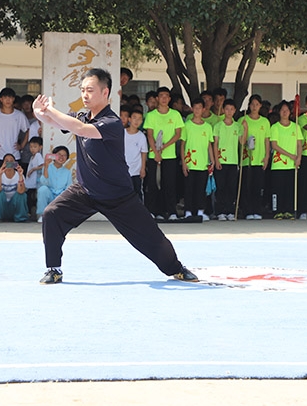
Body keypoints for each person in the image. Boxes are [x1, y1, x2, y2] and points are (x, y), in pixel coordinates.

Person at [31, 68, 197, 284]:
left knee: (151, 238)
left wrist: (51, 111)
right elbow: (57, 123)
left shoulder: (111, 122)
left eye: (90, 90)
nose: (85, 95)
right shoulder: (82, 116)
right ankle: (54, 269)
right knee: (52, 213)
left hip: (118, 195)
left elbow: (81, 129)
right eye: (82, 90)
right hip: (86, 191)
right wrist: (39, 112)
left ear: (105, 92)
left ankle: (176, 268)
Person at [143, 86, 184, 221]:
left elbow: (178, 134)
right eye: (161, 96)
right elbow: (149, 135)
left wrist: (164, 147)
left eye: (167, 96)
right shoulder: (151, 115)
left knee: (169, 185)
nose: (164, 98)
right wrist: (156, 152)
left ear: (169, 99)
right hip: (154, 156)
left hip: (170, 156)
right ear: (157, 98)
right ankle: (153, 211)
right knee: (153, 185)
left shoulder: (175, 115)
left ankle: (171, 212)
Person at [237, 94, 270, 220]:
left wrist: (267, 156)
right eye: (252, 104)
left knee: (258, 186)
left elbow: (267, 140)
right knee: (247, 186)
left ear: (260, 106)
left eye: (257, 104)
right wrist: (245, 128)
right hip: (246, 159)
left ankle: (257, 209)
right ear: (249, 106)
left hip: (259, 158)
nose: (254, 107)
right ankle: (247, 210)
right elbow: (241, 141)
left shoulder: (265, 122)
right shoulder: (243, 120)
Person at [181, 98, 214, 221]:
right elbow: (183, 145)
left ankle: (201, 211)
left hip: (203, 163)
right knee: (189, 189)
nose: (197, 110)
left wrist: (212, 160)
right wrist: (184, 163)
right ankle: (188, 211)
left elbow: (209, 145)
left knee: (201, 189)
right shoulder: (187, 125)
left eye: (200, 108)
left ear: (203, 109)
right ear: (192, 109)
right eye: (195, 108)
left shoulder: (207, 127)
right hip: (190, 163)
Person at [269, 101, 303, 219]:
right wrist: (290, 155)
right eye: (282, 110)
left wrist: (298, 157)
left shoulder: (296, 126)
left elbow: (299, 144)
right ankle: (277, 210)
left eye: (287, 110)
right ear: (279, 112)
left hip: (291, 164)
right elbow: (274, 145)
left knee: (290, 189)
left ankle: (288, 210)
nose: (284, 112)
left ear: (290, 112)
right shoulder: (275, 127)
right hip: (278, 164)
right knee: (277, 189)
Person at [0, 87, 29, 175]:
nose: (8, 100)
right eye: (5, 97)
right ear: (1, 99)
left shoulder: (19, 115)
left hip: (14, 156)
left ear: (13, 99)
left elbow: (27, 130)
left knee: (14, 181)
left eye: (10, 97)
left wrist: (22, 145)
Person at [213, 99, 243, 221]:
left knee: (231, 187)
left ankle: (230, 211)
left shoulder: (238, 126)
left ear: (235, 111)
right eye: (227, 109)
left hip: (233, 160)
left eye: (232, 109)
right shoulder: (218, 126)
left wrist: (245, 129)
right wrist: (216, 160)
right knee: (221, 187)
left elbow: (242, 142)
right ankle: (220, 211)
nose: (229, 112)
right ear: (223, 110)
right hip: (221, 160)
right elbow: (215, 144)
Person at [36, 146, 73, 223]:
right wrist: (46, 166)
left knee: (67, 194)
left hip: (60, 197)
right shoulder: (47, 167)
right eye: (59, 154)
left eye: (64, 155)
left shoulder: (67, 172)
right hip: (50, 194)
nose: (61, 157)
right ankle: (42, 215)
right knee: (43, 190)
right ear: (54, 155)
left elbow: (68, 187)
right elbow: (44, 182)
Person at [0, 153, 29, 223]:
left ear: (15, 163)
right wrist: (0, 174)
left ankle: (20, 217)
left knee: (22, 195)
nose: (9, 163)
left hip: (14, 206)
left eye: (11, 161)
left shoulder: (19, 175)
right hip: (2, 207)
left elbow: (21, 191)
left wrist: (20, 175)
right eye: (6, 161)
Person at [124, 107, 148, 201]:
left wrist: (142, 168)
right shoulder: (122, 133)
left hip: (136, 170)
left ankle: (139, 213)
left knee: (137, 191)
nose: (136, 121)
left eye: (139, 119)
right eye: (134, 118)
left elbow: (144, 153)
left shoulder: (141, 136)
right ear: (129, 119)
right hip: (124, 169)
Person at [24, 136, 45, 215]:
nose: (32, 149)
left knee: (31, 198)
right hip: (31, 182)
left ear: (40, 147)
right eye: (31, 147)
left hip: (35, 182)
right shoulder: (33, 157)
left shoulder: (38, 156)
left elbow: (42, 165)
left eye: (35, 147)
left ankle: (31, 212)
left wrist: (33, 169)